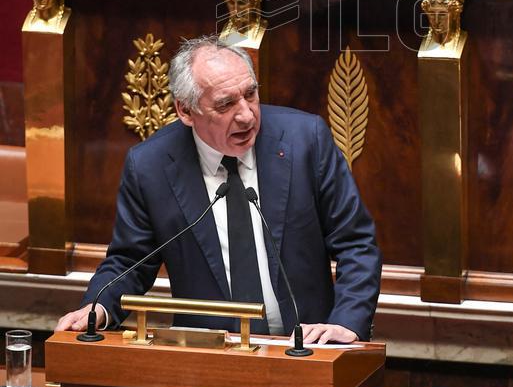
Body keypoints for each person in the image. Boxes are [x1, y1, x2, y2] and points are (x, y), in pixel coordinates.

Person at [56, 37, 381, 343]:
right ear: (185, 110)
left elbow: (357, 243)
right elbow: (130, 262)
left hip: (306, 350)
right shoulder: (151, 166)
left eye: (250, 95)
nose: (246, 115)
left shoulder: (305, 140)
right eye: (225, 105)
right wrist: (98, 307)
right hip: (207, 356)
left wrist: (345, 322)